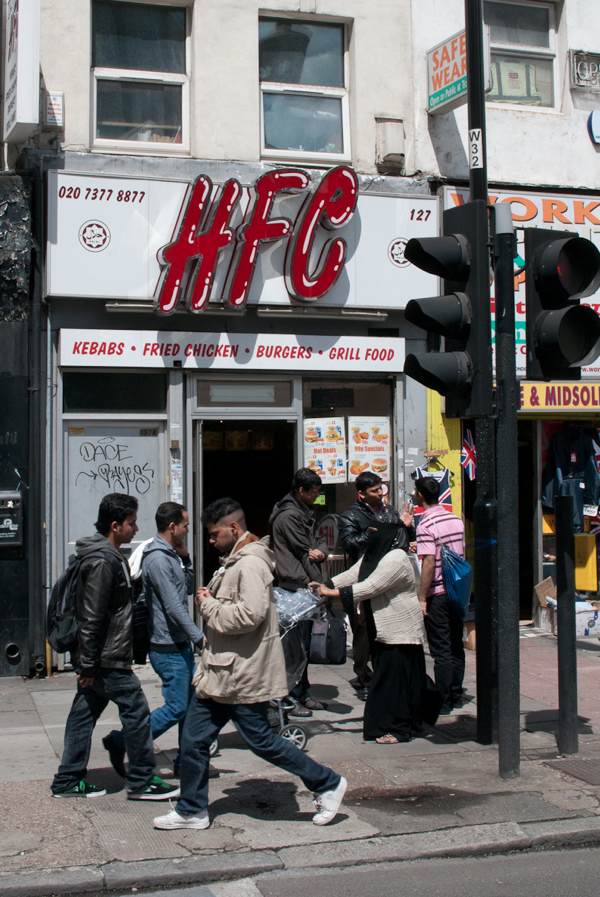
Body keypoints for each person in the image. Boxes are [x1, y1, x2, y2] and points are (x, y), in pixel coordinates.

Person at [153, 497, 347, 830]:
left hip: (240, 673)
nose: (211, 541)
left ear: (233, 528)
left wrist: (208, 606)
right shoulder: (237, 561)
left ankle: (327, 782)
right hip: (220, 673)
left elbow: (250, 615)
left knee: (262, 741)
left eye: (214, 534)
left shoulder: (251, 565)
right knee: (194, 740)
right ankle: (191, 810)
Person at [51, 493, 179, 800]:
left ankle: (67, 780)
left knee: (83, 713)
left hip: (100, 656)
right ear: (115, 525)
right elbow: (92, 617)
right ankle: (141, 780)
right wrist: (88, 665)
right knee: (136, 711)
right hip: (107, 657)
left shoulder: (106, 556)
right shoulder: (102, 561)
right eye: (131, 523)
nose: (136, 529)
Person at [102, 501, 203, 779]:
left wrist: (186, 559)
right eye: (185, 525)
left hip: (179, 645)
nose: (188, 530)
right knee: (177, 707)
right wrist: (200, 637)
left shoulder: (171, 555)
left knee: (190, 706)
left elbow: (186, 588)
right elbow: (174, 606)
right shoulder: (157, 560)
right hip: (166, 648)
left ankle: (186, 762)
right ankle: (123, 741)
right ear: (173, 527)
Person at [312, 523, 427, 743]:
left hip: (399, 630)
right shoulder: (376, 554)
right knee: (393, 679)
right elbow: (354, 573)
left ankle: (398, 729)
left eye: (374, 533)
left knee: (394, 682)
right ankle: (402, 723)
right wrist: (326, 584)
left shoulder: (396, 558)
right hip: (382, 628)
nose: (369, 537)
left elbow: (371, 586)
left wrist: (331, 593)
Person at [338, 472, 415, 699]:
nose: (380, 493)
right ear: (361, 494)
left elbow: (403, 535)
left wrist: (408, 528)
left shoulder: (389, 511)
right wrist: (371, 535)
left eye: (381, 489)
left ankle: (384, 675)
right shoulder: (351, 515)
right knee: (362, 630)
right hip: (364, 576)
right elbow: (349, 544)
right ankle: (363, 677)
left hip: (389, 577)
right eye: (374, 490)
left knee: (384, 628)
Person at [268, 468, 328, 718]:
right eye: (313, 492)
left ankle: (302, 691)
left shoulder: (301, 511)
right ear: (300, 490)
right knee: (294, 648)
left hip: (302, 585)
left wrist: (320, 551)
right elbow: (305, 552)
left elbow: (318, 543)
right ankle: (290, 697)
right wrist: (317, 582)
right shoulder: (289, 516)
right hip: (296, 585)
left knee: (303, 645)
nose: (316, 496)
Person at [414, 476, 466, 713]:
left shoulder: (425, 525)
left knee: (441, 648)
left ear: (420, 495)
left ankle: (443, 699)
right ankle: (456, 691)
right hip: (457, 589)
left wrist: (422, 597)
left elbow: (428, 563)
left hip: (438, 591)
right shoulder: (455, 519)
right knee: (456, 643)